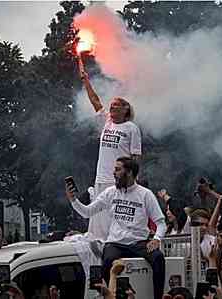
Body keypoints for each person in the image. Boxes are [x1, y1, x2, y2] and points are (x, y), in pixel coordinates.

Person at [66, 157, 165, 299]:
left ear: (129, 172)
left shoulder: (145, 194)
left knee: (158, 258)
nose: (114, 173)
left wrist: (156, 239)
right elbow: (87, 212)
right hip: (116, 243)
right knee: (106, 262)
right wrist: (73, 200)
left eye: (118, 169)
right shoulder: (110, 192)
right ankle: (113, 296)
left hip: (139, 242)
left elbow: (161, 222)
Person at [80, 66, 142, 242]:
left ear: (125, 109)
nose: (112, 108)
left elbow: (136, 157)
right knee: (98, 215)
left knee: (115, 214)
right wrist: (86, 81)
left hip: (119, 178)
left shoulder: (131, 128)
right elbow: (95, 101)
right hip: (101, 176)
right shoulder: (107, 122)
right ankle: (97, 242)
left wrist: (132, 179)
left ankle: (115, 243)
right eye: (111, 105)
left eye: (116, 106)